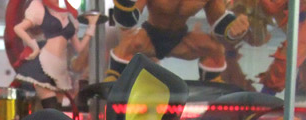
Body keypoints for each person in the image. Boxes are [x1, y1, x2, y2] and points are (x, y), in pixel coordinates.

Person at [105, 0, 249, 82]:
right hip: (150, 37)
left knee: (214, 48)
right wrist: (123, 5)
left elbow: (219, 22)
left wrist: (233, 29)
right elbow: (128, 20)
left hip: (180, 39)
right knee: (129, 43)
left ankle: (213, 88)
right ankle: (114, 82)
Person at [13, 0, 98, 109]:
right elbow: (18, 28)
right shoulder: (40, 7)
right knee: (51, 107)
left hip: (59, 68)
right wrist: (34, 46)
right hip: (43, 64)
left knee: (56, 112)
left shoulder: (68, 14)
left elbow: (79, 48)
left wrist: (92, 25)